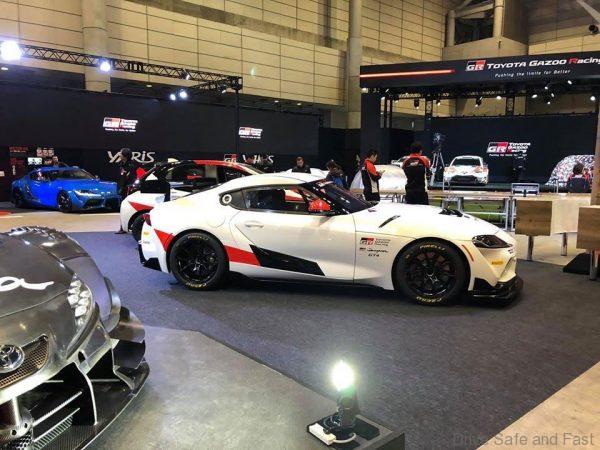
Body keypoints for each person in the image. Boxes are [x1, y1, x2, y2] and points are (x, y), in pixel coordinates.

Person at [115, 149, 137, 234]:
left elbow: (132, 179)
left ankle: (131, 227)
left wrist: (128, 187)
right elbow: (121, 177)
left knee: (129, 209)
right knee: (122, 208)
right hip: (122, 190)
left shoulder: (132, 165)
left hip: (129, 190)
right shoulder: (120, 164)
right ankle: (122, 227)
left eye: (121, 154)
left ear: (125, 156)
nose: (119, 155)